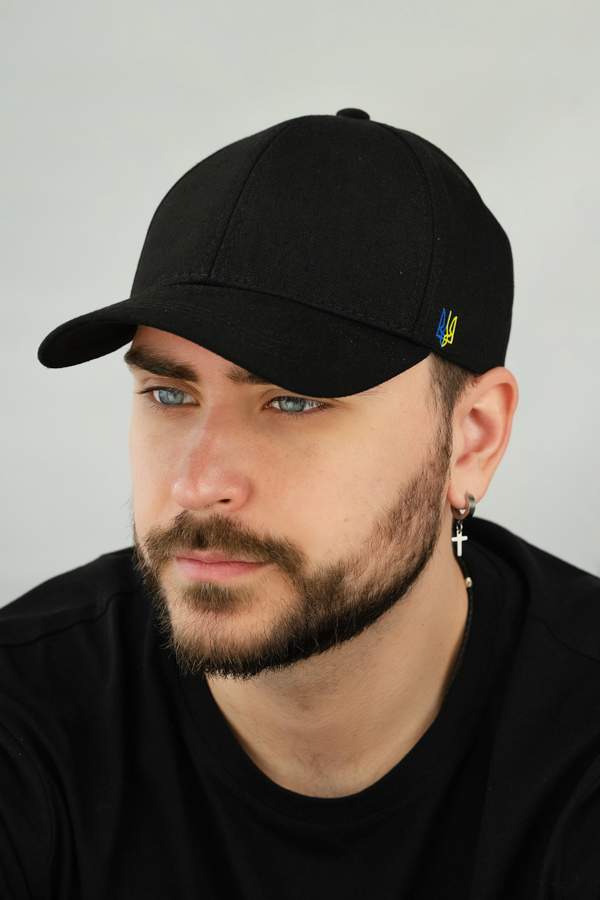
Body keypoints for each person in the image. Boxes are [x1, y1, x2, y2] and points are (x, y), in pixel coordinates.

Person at [1, 108, 599, 900]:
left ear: (472, 438)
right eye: (170, 394)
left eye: (293, 402)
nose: (197, 485)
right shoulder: (27, 712)